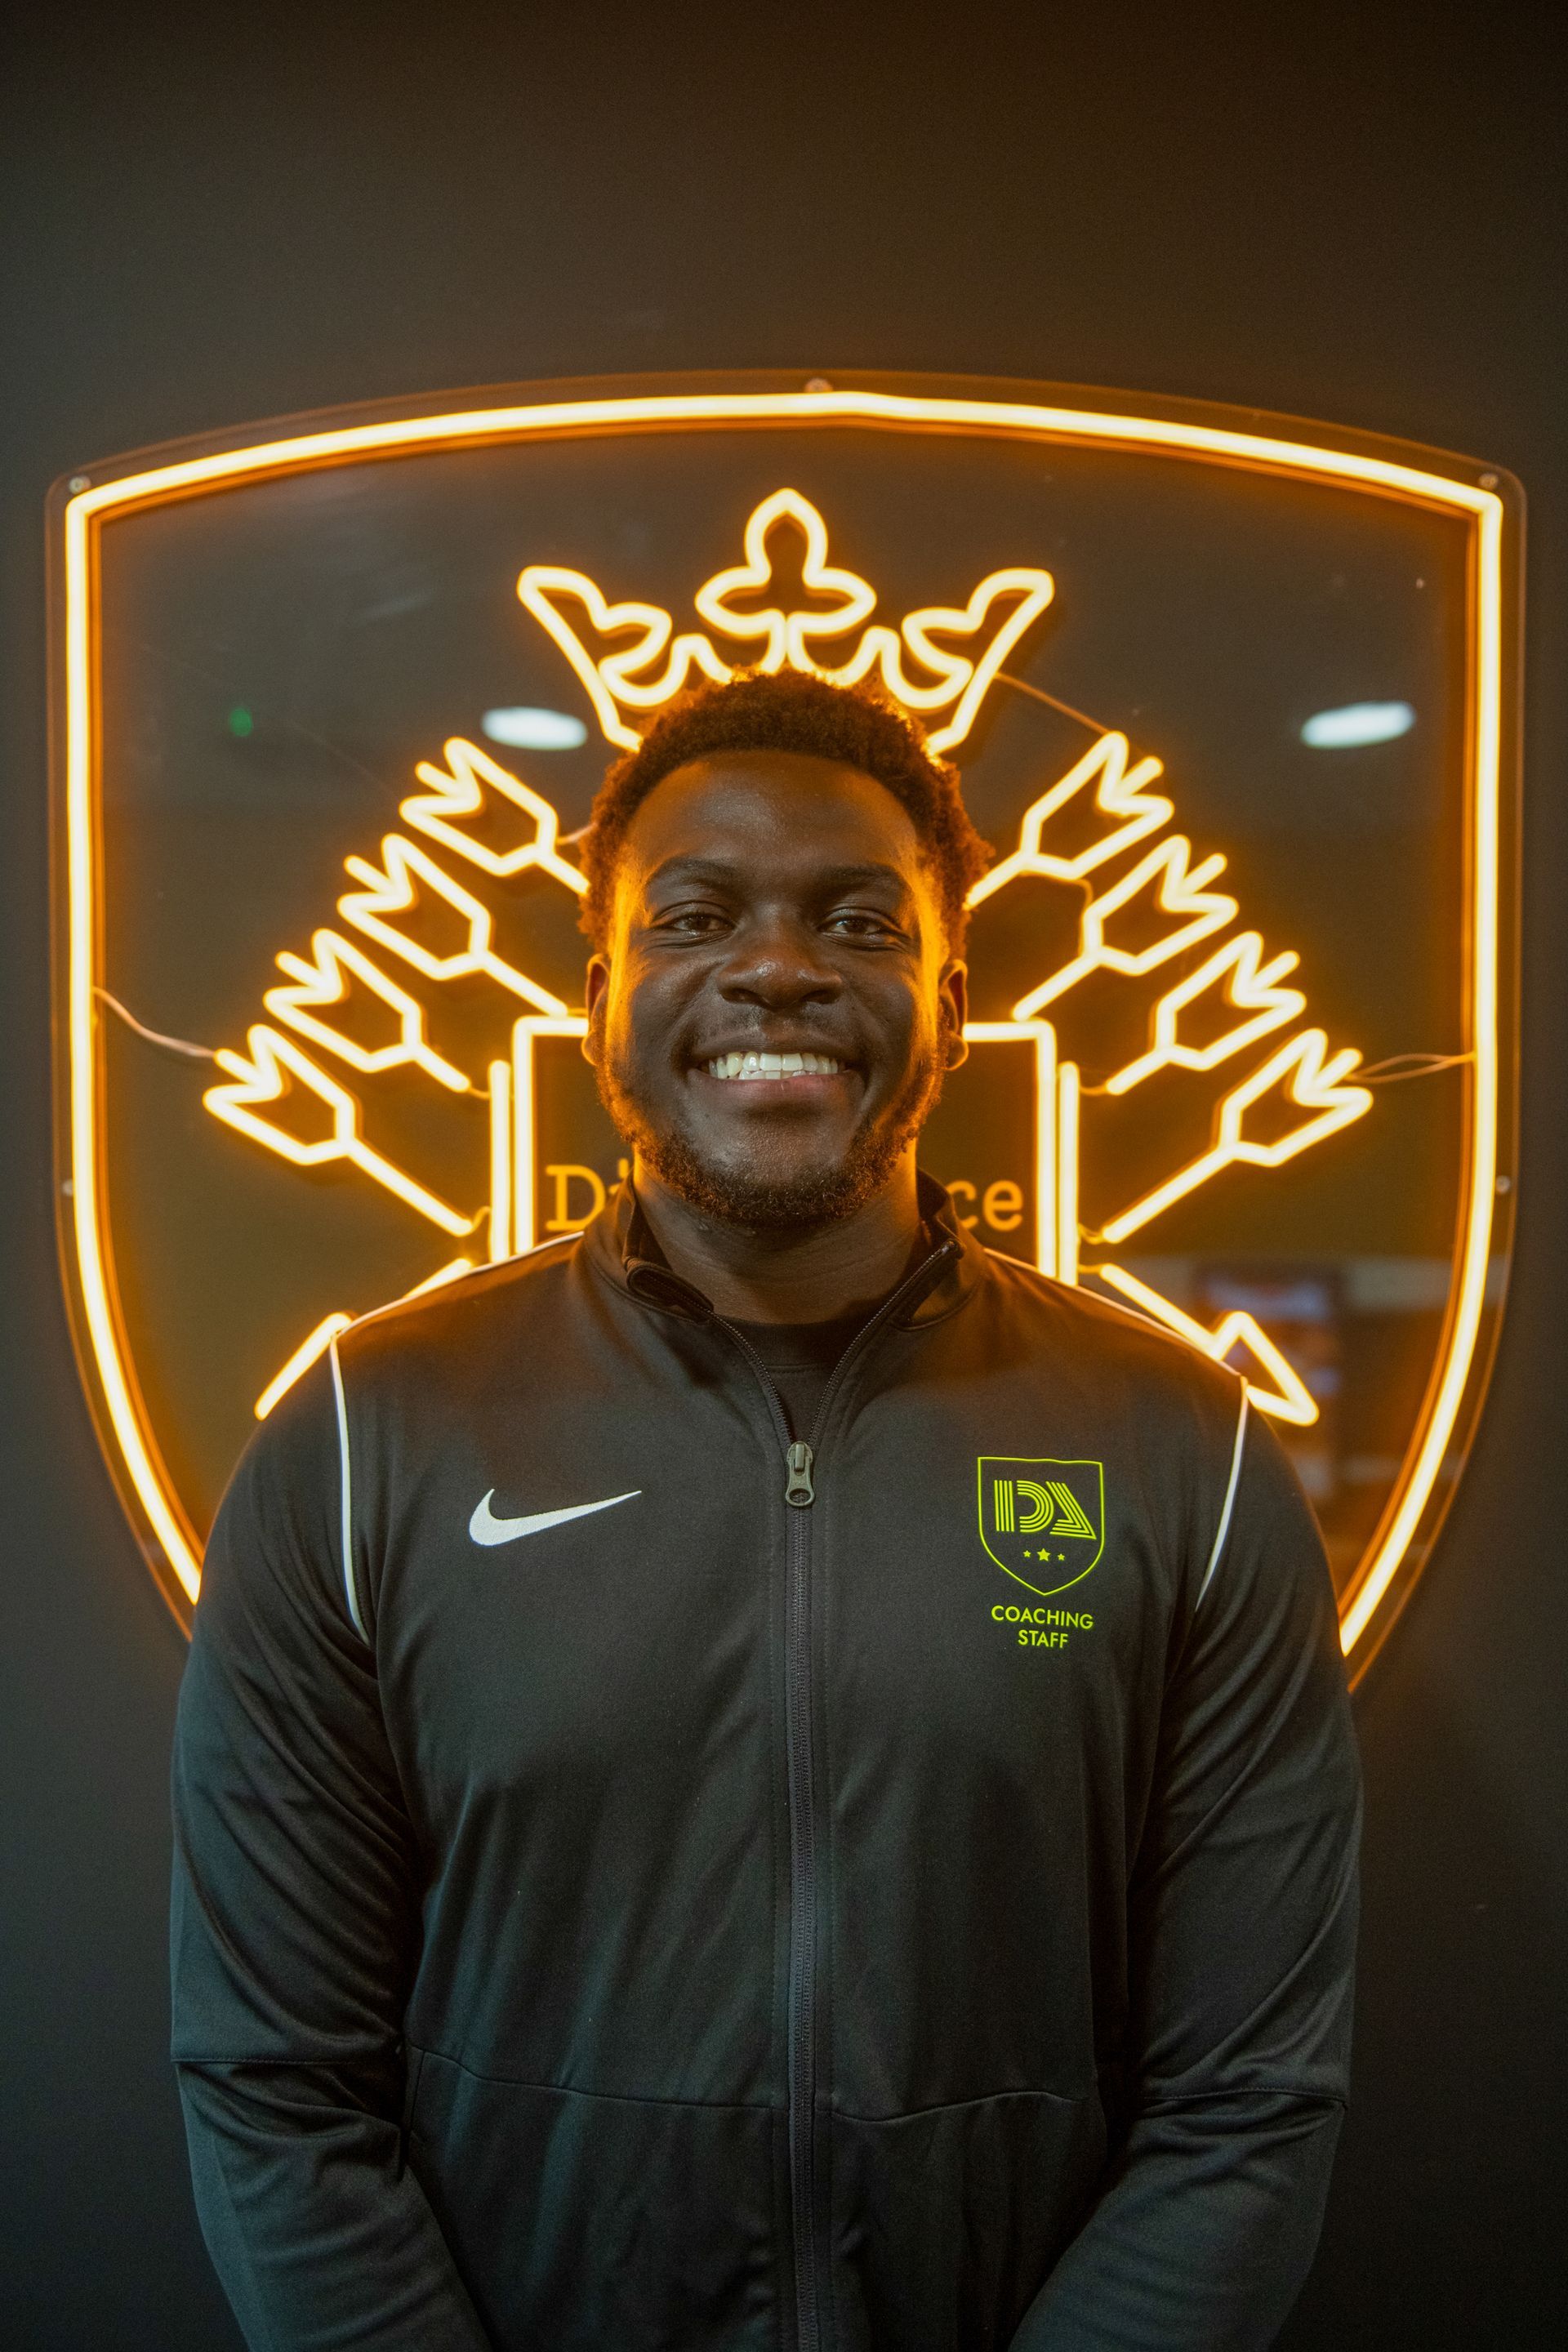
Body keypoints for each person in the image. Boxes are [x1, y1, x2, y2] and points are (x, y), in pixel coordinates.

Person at [172, 670, 1361, 2351]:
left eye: (860, 920)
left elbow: (1246, 2107)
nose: (780, 964)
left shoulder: (1192, 1451)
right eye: (699, 912)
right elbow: (276, 2089)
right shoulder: (366, 1437)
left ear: (951, 991)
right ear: (602, 990)